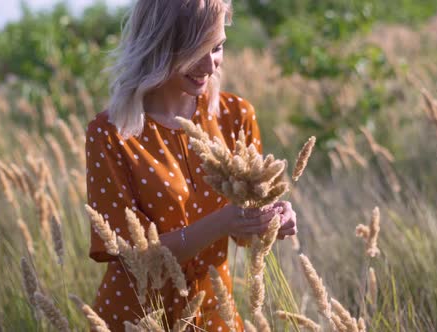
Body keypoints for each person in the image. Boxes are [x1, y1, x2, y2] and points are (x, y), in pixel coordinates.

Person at [84, 0, 297, 330]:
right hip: (138, 318)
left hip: (215, 312)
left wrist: (270, 221)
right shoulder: (111, 134)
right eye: (197, 49)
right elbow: (135, 257)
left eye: (218, 47)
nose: (210, 65)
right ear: (160, 44)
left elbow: (244, 234)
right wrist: (222, 223)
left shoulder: (235, 116)